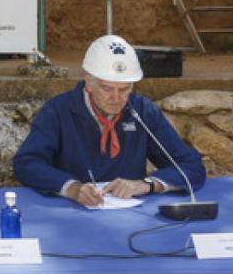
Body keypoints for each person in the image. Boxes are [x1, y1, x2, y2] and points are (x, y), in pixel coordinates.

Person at [13, 35, 206, 207]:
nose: (116, 98)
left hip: (131, 215)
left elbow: (191, 165)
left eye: (124, 89)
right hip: (71, 214)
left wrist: (147, 185)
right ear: (88, 82)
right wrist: (72, 188)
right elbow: (27, 163)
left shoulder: (142, 111)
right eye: (107, 88)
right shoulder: (58, 110)